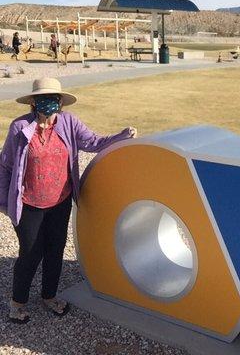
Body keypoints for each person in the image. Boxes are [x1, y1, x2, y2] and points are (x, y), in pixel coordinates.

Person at [0, 78, 137, 324]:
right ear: (32, 102)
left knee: (55, 250)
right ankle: (17, 302)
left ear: (61, 102)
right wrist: (4, 202)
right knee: (31, 253)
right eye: (43, 97)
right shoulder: (19, 127)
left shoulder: (68, 122)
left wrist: (122, 136)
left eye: (54, 98)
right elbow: (6, 166)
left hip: (60, 202)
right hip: (29, 204)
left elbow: (93, 142)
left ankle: (49, 296)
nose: (49, 102)